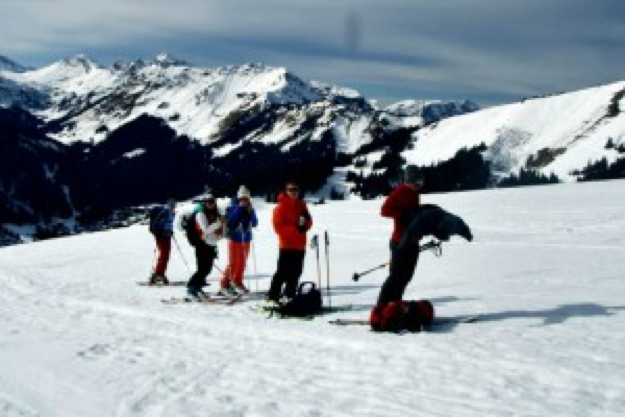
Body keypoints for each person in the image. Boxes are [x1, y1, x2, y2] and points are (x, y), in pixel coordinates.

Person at [376, 165, 424, 304]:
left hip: (411, 242)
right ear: (413, 179)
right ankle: (382, 308)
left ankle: (394, 306)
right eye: (419, 180)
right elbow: (385, 210)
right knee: (396, 277)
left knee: (405, 277)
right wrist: (403, 214)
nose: (420, 183)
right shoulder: (401, 191)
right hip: (400, 242)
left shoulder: (414, 193)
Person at [267, 180, 313, 305]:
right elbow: (278, 229)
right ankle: (273, 296)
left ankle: (289, 295)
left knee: (296, 273)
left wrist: (305, 226)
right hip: (286, 246)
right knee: (282, 272)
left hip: (300, 246)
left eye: (296, 189)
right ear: (286, 191)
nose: (294, 192)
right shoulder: (279, 208)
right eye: (291, 190)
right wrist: (296, 229)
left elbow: (309, 221)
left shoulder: (302, 205)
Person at [218, 185, 258, 295]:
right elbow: (231, 221)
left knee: (242, 262)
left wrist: (251, 212)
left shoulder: (250, 208)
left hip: (246, 239)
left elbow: (255, 223)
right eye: (242, 198)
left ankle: (237, 281)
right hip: (235, 239)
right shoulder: (232, 207)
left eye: (246, 198)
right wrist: (240, 208)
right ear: (239, 198)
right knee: (233, 263)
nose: (244, 200)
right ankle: (224, 284)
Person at [184, 193, 225, 299]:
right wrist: (218, 224)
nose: (210, 204)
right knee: (202, 268)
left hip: (211, 244)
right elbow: (205, 230)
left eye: (212, 202)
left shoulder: (215, 213)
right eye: (208, 202)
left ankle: (197, 287)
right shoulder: (200, 214)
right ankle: (191, 287)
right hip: (201, 243)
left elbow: (217, 231)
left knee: (207, 268)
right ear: (204, 203)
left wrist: (220, 231)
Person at [148, 199, 176, 285]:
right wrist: (164, 232)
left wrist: (170, 231)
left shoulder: (170, 213)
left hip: (165, 236)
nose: (173, 206)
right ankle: (158, 274)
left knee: (165, 254)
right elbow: (160, 224)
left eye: (173, 205)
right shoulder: (165, 212)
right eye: (172, 205)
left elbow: (168, 224)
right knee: (164, 254)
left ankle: (159, 273)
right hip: (162, 236)